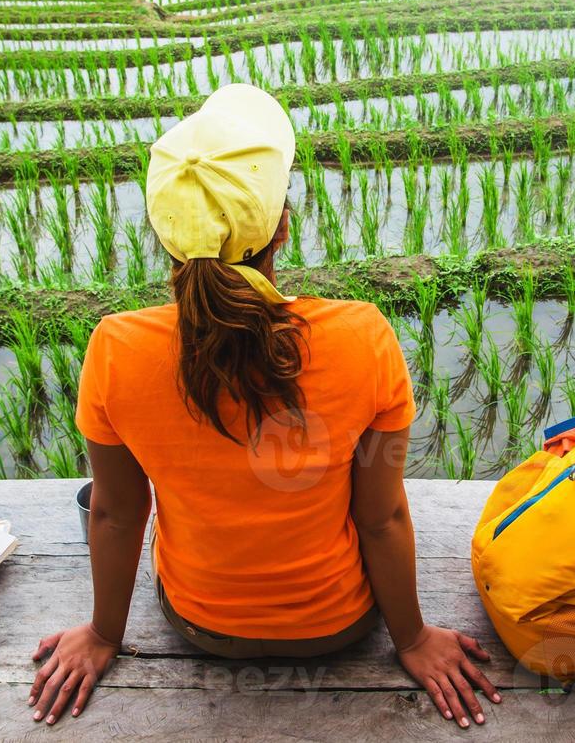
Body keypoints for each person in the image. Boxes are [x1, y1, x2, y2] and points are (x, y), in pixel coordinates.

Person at [28, 84, 499, 727]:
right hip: (339, 626)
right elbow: (383, 516)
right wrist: (412, 639)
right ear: (282, 224)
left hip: (198, 625)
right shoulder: (364, 337)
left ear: (166, 235)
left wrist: (103, 634)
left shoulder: (115, 349)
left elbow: (114, 513)